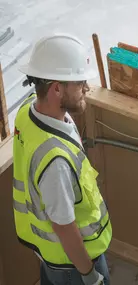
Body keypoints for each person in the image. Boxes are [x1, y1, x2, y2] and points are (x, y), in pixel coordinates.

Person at [12, 34, 112, 285]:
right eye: (79, 83)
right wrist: (89, 275)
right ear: (57, 88)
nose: (87, 88)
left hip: (49, 254)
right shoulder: (55, 162)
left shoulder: (27, 111)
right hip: (72, 264)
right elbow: (64, 227)